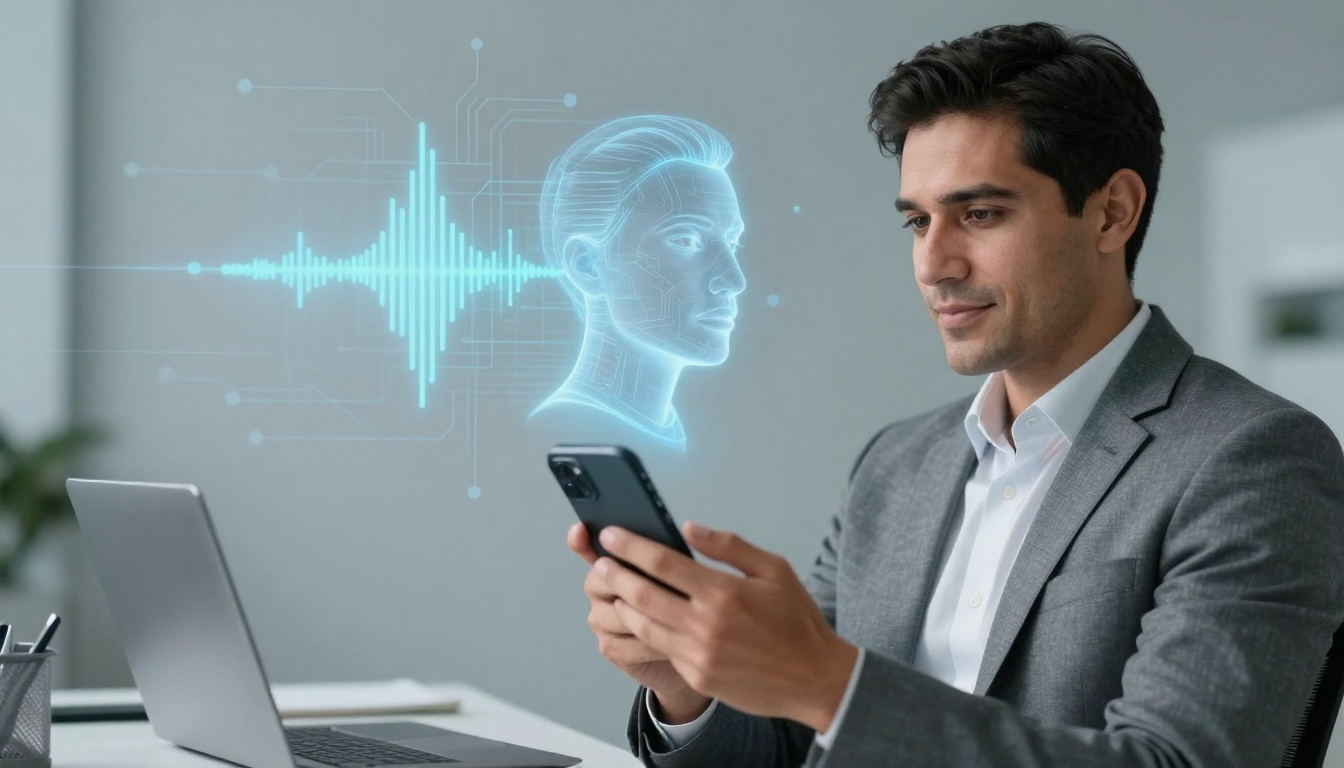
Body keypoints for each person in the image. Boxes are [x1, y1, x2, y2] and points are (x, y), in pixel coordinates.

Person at [565, 21, 1344, 767]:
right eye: (916, 222)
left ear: (1113, 212)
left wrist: (827, 683)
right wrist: (687, 686)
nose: (935, 264)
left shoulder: (1253, 460)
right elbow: (792, 745)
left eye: (980, 214)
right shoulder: (896, 464)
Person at [531, 115, 747, 451]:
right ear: (588, 265)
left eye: (732, 244)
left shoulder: (667, 435)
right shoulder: (555, 436)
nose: (733, 279)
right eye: (685, 240)